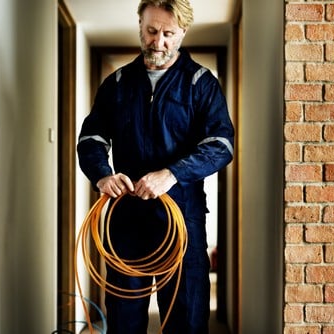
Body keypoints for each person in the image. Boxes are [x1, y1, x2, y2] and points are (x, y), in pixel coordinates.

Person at [77, 0, 234, 332]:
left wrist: (172, 174)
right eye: (151, 31)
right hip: (126, 218)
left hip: (181, 217)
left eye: (168, 34)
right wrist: (103, 176)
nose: (158, 42)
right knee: (123, 318)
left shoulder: (201, 84)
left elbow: (221, 146)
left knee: (186, 318)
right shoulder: (116, 84)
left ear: (182, 33)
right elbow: (90, 139)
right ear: (139, 24)